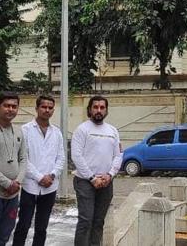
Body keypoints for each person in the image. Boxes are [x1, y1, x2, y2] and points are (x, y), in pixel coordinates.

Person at [12, 96, 65, 246]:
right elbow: (23, 159)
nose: (47, 110)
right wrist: (40, 177)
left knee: (42, 228)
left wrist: (53, 174)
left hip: (50, 187)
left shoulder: (57, 133)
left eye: (50, 108)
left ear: (53, 110)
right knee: (23, 224)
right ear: (36, 109)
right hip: (30, 186)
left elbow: (61, 158)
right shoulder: (25, 130)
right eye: (43, 107)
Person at [71, 95, 122, 246]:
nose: (99, 110)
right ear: (89, 109)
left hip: (106, 182)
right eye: (95, 107)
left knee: (99, 221)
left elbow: (118, 155)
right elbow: (76, 156)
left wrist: (110, 175)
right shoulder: (82, 129)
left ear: (106, 110)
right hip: (85, 182)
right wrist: (92, 178)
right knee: (86, 220)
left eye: (102, 107)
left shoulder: (113, 131)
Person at [0, 92, 26, 246]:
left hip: (12, 195)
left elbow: (23, 159)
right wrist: (7, 183)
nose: (10, 109)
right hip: (2, 190)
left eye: (14, 106)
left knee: (5, 234)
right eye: (6, 105)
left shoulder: (18, 131)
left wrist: (17, 181)